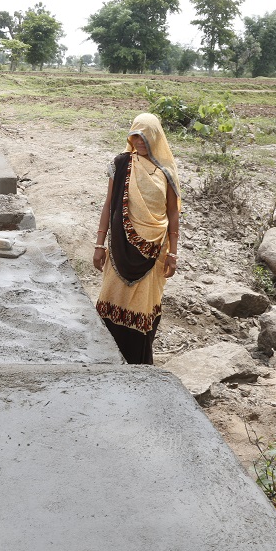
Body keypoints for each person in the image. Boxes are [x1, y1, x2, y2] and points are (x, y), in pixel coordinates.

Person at [92, 113, 181, 365]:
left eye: (145, 136)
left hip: (154, 253)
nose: (140, 141)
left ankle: (139, 363)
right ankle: (107, 358)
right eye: (136, 136)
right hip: (120, 248)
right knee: (112, 297)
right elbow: (109, 205)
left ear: (156, 137)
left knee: (144, 307)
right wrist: (99, 244)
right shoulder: (120, 164)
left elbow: (173, 212)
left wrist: (173, 253)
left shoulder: (166, 172)